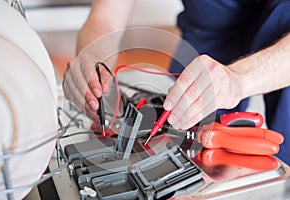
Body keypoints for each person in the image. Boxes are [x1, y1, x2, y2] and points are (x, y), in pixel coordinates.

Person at [63, 0, 290, 164]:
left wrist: (239, 80)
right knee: (180, 133)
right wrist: (92, 58)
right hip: (211, 25)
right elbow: (106, 16)